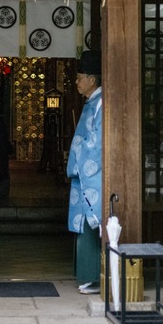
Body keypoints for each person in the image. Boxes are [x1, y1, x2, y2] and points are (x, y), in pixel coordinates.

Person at [67, 50, 103, 295]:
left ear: (92, 79)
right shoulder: (92, 102)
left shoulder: (101, 103)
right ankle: (86, 275)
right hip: (83, 174)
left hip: (92, 174)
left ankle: (93, 276)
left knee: (91, 221)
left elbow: (98, 142)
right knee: (83, 224)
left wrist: (79, 154)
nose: (77, 82)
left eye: (80, 77)